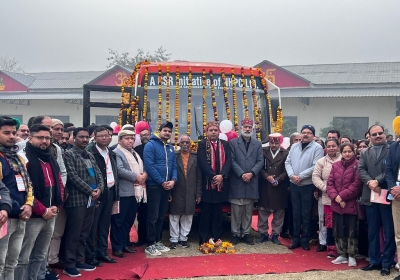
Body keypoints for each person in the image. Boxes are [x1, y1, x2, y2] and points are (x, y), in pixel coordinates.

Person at [15, 124, 64, 280]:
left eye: (47, 138)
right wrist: (43, 210)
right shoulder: (24, 159)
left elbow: (59, 183)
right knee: (24, 257)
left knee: (41, 255)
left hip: (51, 214)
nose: (44, 141)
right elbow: (24, 190)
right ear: (30, 138)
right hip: (33, 216)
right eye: (40, 137)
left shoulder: (50, 158)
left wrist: (57, 205)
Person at [62, 127, 104, 277]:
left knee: (84, 233)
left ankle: (80, 260)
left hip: (91, 200)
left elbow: (99, 174)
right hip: (77, 200)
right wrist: (90, 191)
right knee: (74, 233)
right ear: (74, 137)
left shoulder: (90, 155)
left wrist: (99, 189)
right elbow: (72, 177)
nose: (85, 140)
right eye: (81, 137)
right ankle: (69, 264)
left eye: (87, 137)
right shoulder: (69, 154)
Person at [0, 117, 34, 280]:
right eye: (6, 133)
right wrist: (9, 207)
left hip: (21, 216)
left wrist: (28, 205)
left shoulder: (17, 157)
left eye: (14, 133)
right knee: (0, 263)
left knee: (12, 262)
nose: (12, 136)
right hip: (4, 217)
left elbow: (28, 185)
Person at [358, 125, 394, 276]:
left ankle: (387, 263)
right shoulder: (365, 152)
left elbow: (390, 170)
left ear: (384, 135)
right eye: (374, 134)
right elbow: (361, 170)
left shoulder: (392, 150)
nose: (378, 136)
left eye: (380, 133)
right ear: (369, 137)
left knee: (388, 231)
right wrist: (370, 183)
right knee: (372, 231)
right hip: (370, 196)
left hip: (386, 195)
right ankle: (374, 261)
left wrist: (377, 182)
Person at [285, 124, 324, 250]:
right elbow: (288, 162)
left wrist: (300, 176)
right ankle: (296, 239)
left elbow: (315, 166)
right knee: (295, 213)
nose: (305, 134)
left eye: (309, 132)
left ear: (313, 135)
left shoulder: (317, 148)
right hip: (294, 184)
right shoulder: (294, 146)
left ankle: (305, 239)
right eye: (303, 132)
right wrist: (292, 176)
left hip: (307, 184)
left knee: (306, 213)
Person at [86, 127, 119, 265]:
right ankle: (90, 255)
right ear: (95, 137)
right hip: (97, 193)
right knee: (93, 226)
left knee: (105, 225)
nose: (105, 138)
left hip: (110, 191)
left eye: (107, 135)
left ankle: (103, 252)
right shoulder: (90, 152)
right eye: (101, 136)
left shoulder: (110, 152)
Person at [143, 122, 177, 256]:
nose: (167, 133)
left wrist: (173, 180)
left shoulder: (170, 147)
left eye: (169, 131)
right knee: (153, 215)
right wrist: (162, 182)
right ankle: (150, 243)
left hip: (167, 186)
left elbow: (174, 166)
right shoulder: (150, 145)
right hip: (154, 186)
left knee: (161, 216)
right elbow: (149, 166)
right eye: (165, 130)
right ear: (159, 131)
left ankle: (157, 241)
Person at [327, 143, 362, 267]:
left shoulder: (358, 165)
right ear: (341, 153)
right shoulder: (336, 165)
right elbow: (330, 183)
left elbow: (357, 185)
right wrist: (336, 197)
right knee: (338, 229)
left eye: (349, 151)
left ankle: (351, 255)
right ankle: (341, 254)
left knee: (351, 230)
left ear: (354, 151)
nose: (347, 154)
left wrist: (342, 196)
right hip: (337, 203)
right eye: (344, 152)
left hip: (351, 202)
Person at [229, 118, 263, 245]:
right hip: (238, 180)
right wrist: (242, 174)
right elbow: (231, 161)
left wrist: (251, 173)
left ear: (253, 129)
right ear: (241, 129)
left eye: (250, 127)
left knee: (248, 210)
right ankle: (235, 234)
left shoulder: (257, 144)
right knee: (236, 210)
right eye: (245, 127)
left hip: (251, 180)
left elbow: (260, 161)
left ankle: (246, 234)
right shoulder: (233, 143)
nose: (247, 129)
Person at [197, 121, 232, 245]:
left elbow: (229, 161)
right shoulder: (202, 145)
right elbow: (202, 163)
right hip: (207, 184)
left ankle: (216, 237)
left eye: (215, 130)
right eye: (211, 130)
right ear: (207, 132)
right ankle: (203, 238)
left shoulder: (225, 145)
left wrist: (222, 176)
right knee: (205, 213)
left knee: (218, 214)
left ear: (219, 132)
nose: (213, 132)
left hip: (221, 185)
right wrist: (214, 176)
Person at [111, 130, 145, 258]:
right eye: (127, 138)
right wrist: (137, 177)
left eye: (132, 138)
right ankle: (117, 247)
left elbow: (142, 168)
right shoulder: (116, 152)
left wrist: (144, 175)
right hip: (123, 192)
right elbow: (119, 170)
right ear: (119, 140)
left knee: (129, 220)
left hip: (135, 192)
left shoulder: (134, 153)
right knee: (118, 221)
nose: (130, 141)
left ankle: (125, 244)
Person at [169, 135, 202, 249]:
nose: (184, 144)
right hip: (177, 189)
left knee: (188, 216)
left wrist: (198, 194)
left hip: (191, 190)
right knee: (174, 215)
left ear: (190, 143)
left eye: (186, 142)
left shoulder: (195, 157)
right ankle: (174, 239)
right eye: (182, 142)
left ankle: (183, 238)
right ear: (179, 143)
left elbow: (199, 177)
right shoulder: (174, 155)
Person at [257, 133, 289, 245]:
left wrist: (279, 179)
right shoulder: (263, 151)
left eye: (276, 143)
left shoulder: (285, 153)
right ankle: (263, 233)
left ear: (280, 142)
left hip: (279, 186)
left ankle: (275, 234)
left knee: (279, 212)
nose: (274, 145)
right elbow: (259, 166)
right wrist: (267, 176)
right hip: (265, 185)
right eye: (272, 142)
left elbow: (288, 169)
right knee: (263, 210)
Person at [312, 138, 341, 257]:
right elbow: (315, 177)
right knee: (325, 222)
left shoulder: (343, 159)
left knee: (340, 222)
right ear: (326, 148)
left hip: (341, 196)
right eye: (329, 146)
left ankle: (341, 247)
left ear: (338, 146)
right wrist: (326, 189)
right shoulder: (321, 161)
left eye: (334, 146)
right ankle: (326, 244)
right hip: (326, 196)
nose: (331, 148)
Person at [385, 116, 400, 280]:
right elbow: (389, 170)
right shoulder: (394, 147)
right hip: (396, 195)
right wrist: (393, 188)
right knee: (399, 234)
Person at [132, 128, 151, 247]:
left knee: (152, 214)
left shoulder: (155, 148)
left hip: (152, 185)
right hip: (139, 185)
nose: (145, 137)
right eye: (142, 135)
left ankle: (151, 238)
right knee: (141, 215)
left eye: (147, 134)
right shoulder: (136, 150)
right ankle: (141, 238)